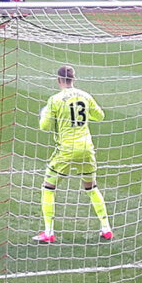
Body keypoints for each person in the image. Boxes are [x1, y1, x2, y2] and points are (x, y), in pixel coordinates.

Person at [34, 65, 112, 243]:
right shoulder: (85, 95)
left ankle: (48, 232)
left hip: (67, 149)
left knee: (48, 187)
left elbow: (44, 126)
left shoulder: (54, 100)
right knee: (91, 187)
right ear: (73, 79)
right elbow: (100, 116)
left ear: (58, 80)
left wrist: (46, 115)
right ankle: (106, 229)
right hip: (86, 147)